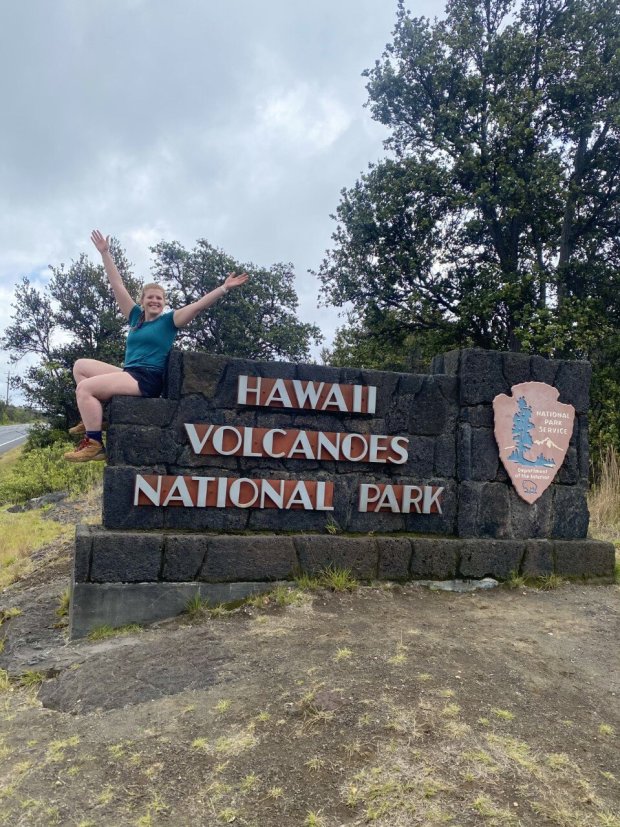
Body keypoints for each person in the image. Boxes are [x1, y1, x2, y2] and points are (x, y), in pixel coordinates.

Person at [64, 229, 248, 462]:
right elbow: (116, 283)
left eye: (159, 298)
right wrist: (105, 253)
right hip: (129, 373)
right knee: (80, 366)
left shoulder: (169, 321)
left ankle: (94, 443)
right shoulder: (134, 317)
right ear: (142, 301)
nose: (154, 301)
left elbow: (199, 306)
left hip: (146, 379)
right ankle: (96, 417)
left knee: (85, 388)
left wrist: (224, 288)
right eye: (150, 297)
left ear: (164, 303)